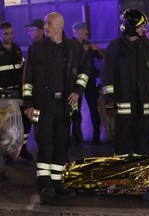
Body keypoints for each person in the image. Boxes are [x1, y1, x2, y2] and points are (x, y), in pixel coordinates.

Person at [23, 12, 90, 203]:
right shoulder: (36, 48)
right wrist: (28, 104)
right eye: (44, 24)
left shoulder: (73, 48)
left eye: (49, 24)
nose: (45, 27)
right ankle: (44, 185)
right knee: (45, 143)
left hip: (64, 105)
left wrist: (77, 90)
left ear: (60, 25)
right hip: (43, 105)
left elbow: (86, 69)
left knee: (61, 143)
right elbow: (27, 80)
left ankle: (57, 184)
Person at [100, 9, 149, 157]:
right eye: (140, 26)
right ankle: (122, 176)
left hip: (145, 105)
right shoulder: (115, 47)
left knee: (142, 146)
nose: (144, 29)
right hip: (123, 106)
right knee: (122, 145)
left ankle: (138, 177)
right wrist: (109, 99)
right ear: (131, 28)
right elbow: (107, 75)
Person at [0, 21, 33, 164]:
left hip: (18, 93)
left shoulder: (17, 50)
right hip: (3, 95)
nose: (9, 36)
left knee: (25, 122)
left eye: (11, 33)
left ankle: (22, 147)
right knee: (6, 126)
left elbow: (23, 69)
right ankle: (6, 153)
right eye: (6, 34)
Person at [72, 21, 104, 145]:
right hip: (76, 81)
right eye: (84, 29)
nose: (86, 32)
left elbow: (103, 57)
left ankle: (96, 136)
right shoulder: (71, 45)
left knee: (93, 108)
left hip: (90, 80)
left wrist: (98, 49)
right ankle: (77, 137)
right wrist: (82, 51)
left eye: (86, 29)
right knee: (76, 109)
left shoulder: (89, 44)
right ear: (76, 31)